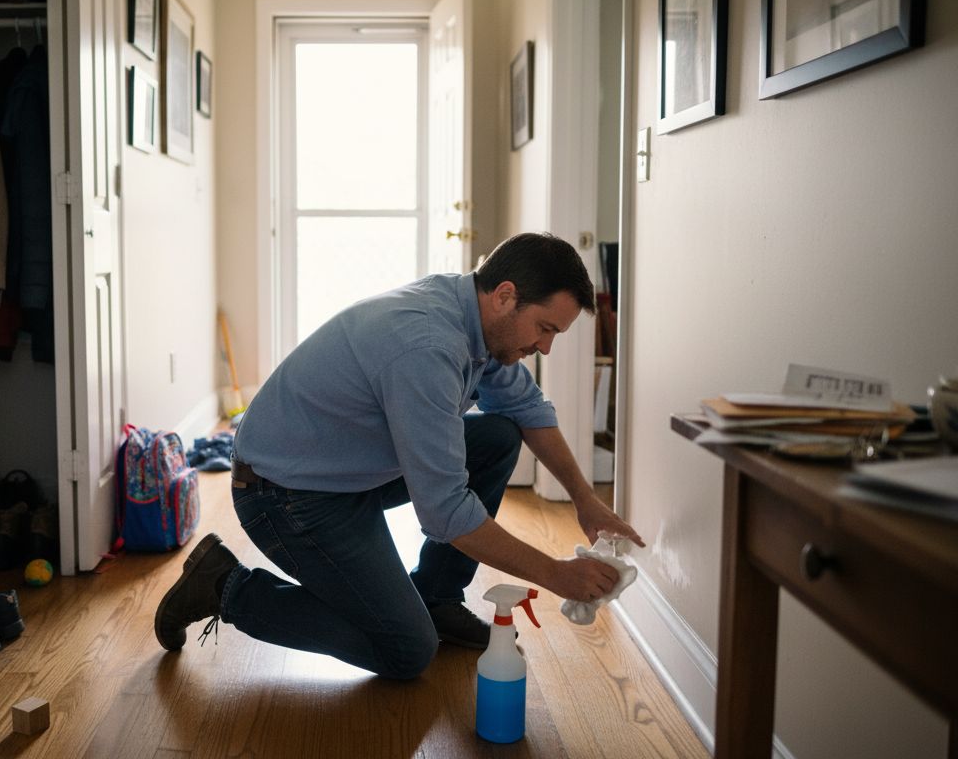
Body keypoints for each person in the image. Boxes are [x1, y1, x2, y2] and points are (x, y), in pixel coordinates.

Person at [154, 232, 645, 679]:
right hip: (284, 495)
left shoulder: (478, 321)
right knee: (407, 649)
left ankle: (436, 597)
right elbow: (447, 511)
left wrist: (586, 501)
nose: (546, 347)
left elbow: (527, 408)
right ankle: (223, 585)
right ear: (505, 296)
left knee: (497, 436)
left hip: (345, 470)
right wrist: (555, 574)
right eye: (545, 329)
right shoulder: (428, 345)